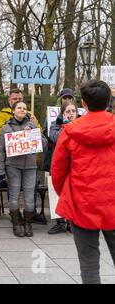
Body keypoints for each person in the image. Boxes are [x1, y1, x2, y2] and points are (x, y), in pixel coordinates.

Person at [51, 80, 115, 284]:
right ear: (108, 101)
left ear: (84, 104)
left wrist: (67, 194)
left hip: (82, 202)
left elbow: (58, 170)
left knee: (88, 263)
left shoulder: (70, 131)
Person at [0, 101, 47, 238]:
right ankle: (16, 223)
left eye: (24, 108)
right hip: (12, 166)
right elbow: (1, 151)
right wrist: (0, 171)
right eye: (19, 107)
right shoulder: (5, 128)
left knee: (30, 197)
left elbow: (44, 144)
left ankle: (28, 223)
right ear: (13, 110)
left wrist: (34, 132)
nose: (22, 110)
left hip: (30, 166)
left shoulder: (32, 124)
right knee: (14, 195)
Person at [47, 102, 78, 235]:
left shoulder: (82, 124)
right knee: (58, 192)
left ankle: (73, 222)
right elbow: (56, 138)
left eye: (73, 111)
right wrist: (66, 125)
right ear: (62, 114)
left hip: (76, 166)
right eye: (68, 112)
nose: (71, 114)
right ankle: (60, 222)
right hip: (61, 165)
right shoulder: (55, 125)